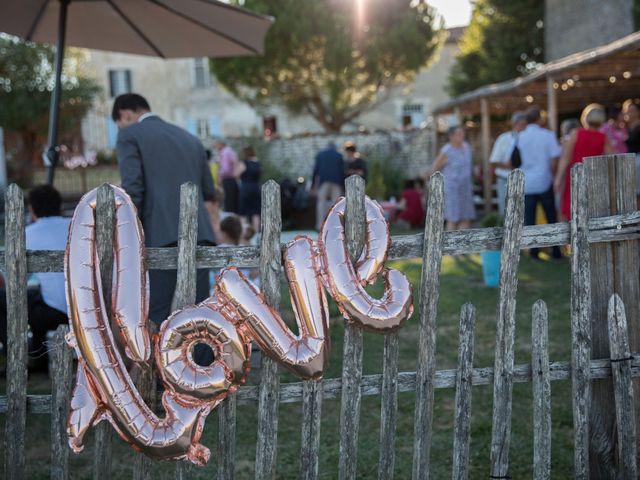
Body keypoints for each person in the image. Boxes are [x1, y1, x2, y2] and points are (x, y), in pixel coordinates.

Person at [112, 93, 217, 326]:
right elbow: (209, 192)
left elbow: (133, 189)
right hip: (200, 234)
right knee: (199, 312)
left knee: (156, 312)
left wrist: (125, 234)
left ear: (124, 114)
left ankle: (157, 362)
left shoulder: (128, 136)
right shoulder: (190, 138)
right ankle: (200, 362)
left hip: (158, 234)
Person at [0, 185, 70, 372]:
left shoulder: (27, 235)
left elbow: (12, 279)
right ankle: (38, 353)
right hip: (83, 308)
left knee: (8, 302)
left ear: (31, 209)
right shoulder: (75, 225)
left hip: (55, 313)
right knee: (37, 297)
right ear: (60, 205)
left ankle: (18, 359)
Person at [515, 107, 563, 259]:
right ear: (540, 119)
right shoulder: (548, 135)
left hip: (527, 182)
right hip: (544, 180)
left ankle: (533, 251)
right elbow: (554, 158)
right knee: (551, 217)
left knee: (530, 219)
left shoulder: (520, 136)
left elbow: (515, 159)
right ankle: (555, 250)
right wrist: (554, 175)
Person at [555, 104, 611, 220]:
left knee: (571, 209)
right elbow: (612, 158)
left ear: (585, 117)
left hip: (575, 176)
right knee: (592, 210)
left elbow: (566, 158)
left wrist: (558, 178)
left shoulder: (576, 133)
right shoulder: (603, 137)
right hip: (594, 177)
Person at [430, 126, 476, 230]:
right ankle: (449, 245)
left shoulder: (466, 147)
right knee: (453, 218)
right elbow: (434, 168)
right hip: (452, 190)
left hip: (465, 188)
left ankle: (463, 245)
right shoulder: (447, 150)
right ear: (451, 136)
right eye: (458, 134)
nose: (462, 135)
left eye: (462, 133)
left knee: (466, 217)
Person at [489, 111, 527, 216]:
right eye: (522, 125)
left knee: (522, 213)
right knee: (506, 212)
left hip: (524, 181)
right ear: (515, 124)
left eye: (525, 125)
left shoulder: (529, 139)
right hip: (505, 179)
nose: (524, 128)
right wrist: (508, 165)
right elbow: (493, 161)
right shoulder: (504, 138)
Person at [312, 141, 344, 229]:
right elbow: (342, 171)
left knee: (321, 203)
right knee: (336, 204)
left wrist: (313, 185)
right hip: (336, 182)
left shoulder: (320, 155)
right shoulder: (339, 155)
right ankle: (335, 225)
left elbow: (315, 171)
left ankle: (319, 225)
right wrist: (343, 186)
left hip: (324, 181)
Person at [237, 145, 261, 233]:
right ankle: (256, 231)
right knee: (256, 211)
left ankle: (244, 231)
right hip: (255, 187)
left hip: (245, 187)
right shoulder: (257, 162)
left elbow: (236, 174)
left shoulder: (244, 162)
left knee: (243, 211)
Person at [215, 138, 240, 214]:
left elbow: (225, 169)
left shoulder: (224, 153)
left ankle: (230, 222)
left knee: (229, 203)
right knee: (233, 203)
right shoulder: (230, 151)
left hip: (228, 180)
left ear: (221, 144)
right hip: (233, 180)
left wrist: (219, 175)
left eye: (217, 145)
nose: (216, 147)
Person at [623, 99, 640, 197]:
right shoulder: (626, 127)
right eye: (628, 110)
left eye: (632, 110)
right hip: (631, 160)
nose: (629, 113)